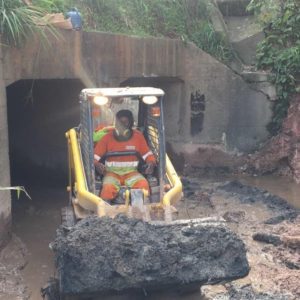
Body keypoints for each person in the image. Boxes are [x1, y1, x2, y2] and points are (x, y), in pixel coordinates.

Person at [94, 109, 156, 202]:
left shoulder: (138, 137)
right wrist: (97, 164)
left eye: (125, 122)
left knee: (143, 185)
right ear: (116, 123)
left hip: (131, 173)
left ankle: (138, 212)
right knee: (107, 189)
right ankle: (106, 214)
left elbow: (148, 155)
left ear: (131, 124)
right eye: (120, 122)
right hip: (112, 174)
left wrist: (151, 163)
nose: (122, 125)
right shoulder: (107, 138)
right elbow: (94, 158)